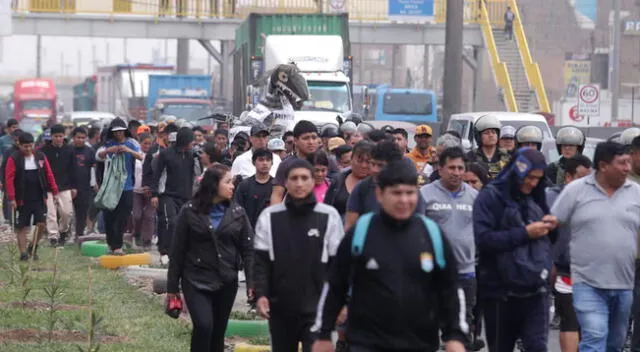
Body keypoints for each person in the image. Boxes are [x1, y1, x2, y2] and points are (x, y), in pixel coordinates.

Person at [312, 160, 467, 352]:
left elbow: (450, 287)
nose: (404, 200)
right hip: (366, 343)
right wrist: (324, 334)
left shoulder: (431, 233)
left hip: (420, 344)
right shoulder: (361, 232)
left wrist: (454, 336)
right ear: (380, 194)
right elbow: (335, 284)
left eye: (409, 193)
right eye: (396, 193)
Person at [551, 142, 640, 352]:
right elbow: (552, 226)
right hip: (587, 281)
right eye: (622, 163)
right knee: (595, 334)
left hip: (624, 282)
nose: (628, 167)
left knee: (615, 342)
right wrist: (551, 262)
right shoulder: (575, 191)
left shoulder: (636, 192)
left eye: (628, 162)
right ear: (603, 166)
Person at [254, 159, 344, 352]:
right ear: (286, 183)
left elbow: (338, 265)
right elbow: (261, 262)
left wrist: (340, 302)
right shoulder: (270, 217)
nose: (299, 183)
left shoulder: (329, 216)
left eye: (304, 178)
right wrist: (261, 295)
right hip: (281, 307)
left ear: (314, 181)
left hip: (318, 308)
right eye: (294, 178)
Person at [473, 147, 558, 352]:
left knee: (537, 347)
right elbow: (484, 239)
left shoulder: (536, 198)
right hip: (499, 293)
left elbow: (549, 242)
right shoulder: (490, 197)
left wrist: (552, 228)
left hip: (536, 292)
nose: (532, 183)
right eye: (528, 177)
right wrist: (525, 233)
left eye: (537, 178)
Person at [166, 164, 255, 352]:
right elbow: (177, 250)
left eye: (233, 182)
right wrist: (172, 288)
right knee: (204, 325)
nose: (233, 186)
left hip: (226, 280)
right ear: (214, 184)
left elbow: (248, 250)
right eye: (228, 182)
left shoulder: (238, 213)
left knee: (218, 333)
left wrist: (252, 284)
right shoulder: (189, 211)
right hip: (195, 279)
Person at [421, 147, 483, 351]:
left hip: (465, 273)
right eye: (451, 168)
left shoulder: (475, 197)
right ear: (440, 168)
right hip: (431, 273)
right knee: (427, 326)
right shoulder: (424, 194)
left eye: (460, 168)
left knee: (461, 327)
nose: (456, 172)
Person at [546, 155, 592, 352]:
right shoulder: (550, 198)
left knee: (588, 325)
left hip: (592, 272)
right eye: (582, 178)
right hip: (562, 270)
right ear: (568, 177)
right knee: (570, 319)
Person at [344, 140, 426, 231]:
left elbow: (418, 228)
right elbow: (350, 228)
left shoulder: (410, 192)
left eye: (380, 165)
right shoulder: (362, 188)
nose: (374, 170)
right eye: (372, 164)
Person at [5, 132, 59, 261]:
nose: (28, 149)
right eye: (25, 146)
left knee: (41, 224)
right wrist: (12, 198)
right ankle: (23, 253)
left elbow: (48, 173)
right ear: (19, 145)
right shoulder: (14, 158)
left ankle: (33, 247)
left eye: (30, 146)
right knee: (22, 226)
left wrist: (54, 190)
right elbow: (9, 179)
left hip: (39, 197)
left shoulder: (40, 156)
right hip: (22, 198)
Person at [151, 127, 199, 265]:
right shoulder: (166, 154)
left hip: (185, 196)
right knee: (169, 222)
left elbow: (197, 174)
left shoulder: (191, 155)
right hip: (167, 195)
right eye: (190, 141)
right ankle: (165, 252)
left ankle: (178, 253)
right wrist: (154, 194)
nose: (192, 143)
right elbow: (157, 175)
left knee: (182, 224)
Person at [96, 118, 144, 255]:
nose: (118, 134)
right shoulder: (107, 144)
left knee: (122, 217)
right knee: (109, 217)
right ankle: (111, 244)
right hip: (110, 187)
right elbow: (98, 156)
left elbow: (141, 157)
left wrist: (128, 150)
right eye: (115, 132)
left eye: (121, 132)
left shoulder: (132, 143)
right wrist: (109, 150)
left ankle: (118, 246)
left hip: (127, 187)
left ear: (125, 131)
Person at [41, 124, 77, 246]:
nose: (58, 139)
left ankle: (63, 231)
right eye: (55, 136)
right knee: (51, 213)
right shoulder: (44, 151)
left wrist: (74, 186)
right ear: (51, 137)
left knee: (67, 213)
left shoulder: (70, 150)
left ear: (64, 136)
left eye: (60, 136)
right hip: (48, 188)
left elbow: (73, 169)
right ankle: (53, 237)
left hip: (65, 186)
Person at [271, 121, 319, 205]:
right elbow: (277, 195)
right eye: (306, 138)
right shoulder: (286, 164)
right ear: (296, 141)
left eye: (314, 137)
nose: (311, 142)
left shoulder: (325, 162)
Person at [325, 141, 373, 218]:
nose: (364, 165)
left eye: (368, 162)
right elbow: (326, 208)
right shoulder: (338, 180)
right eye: (359, 161)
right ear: (351, 159)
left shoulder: (378, 183)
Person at [233, 148, 274, 228]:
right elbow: (238, 211)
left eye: (268, 160)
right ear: (253, 162)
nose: (265, 163)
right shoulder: (244, 185)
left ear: (272, 163)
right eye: (261, 160)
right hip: (249, 231)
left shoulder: (277, 186)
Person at [70, 127, 96, 239]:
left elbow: (94, 169)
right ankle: (64, 233)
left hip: (85, 187)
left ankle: (79, 235)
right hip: (68, 186)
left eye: (83, 138)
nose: (80, 140)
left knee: (82, 212)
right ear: (73, 138)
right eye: (78, 137)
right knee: (67, 212)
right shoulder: (68, 150)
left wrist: (95, 184)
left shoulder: (90, 151)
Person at [466, 114, 510, 180]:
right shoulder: (470, 157)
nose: (491, 135)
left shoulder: (507, 156)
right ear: (479, 136)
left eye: (494, 132)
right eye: (486, 133)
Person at [131, 133, 155, 249]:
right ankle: (137, 233)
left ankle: (148, 240)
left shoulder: (155, 156)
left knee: (149, 215)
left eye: (149, 143)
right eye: (145, 143)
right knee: (137, 215)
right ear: (140, 143)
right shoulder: (135, 156)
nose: (147, 146)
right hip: (136, 189)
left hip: (150, 190)